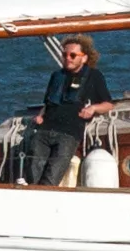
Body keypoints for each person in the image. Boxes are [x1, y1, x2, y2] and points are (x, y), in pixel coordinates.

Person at [29, 34, 111, 186]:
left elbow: (108, 104)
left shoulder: (94, 77)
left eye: (73, 55)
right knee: (33, 173)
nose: (68, 58)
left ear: (84, 58)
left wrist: (93, 108)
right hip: (45, 131)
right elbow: (48, 103)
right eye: (65, 54)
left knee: (52, 176)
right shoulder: (56, 76)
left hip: (69, 133)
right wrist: (40, 116)